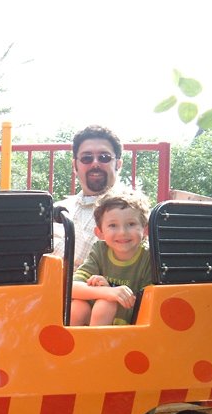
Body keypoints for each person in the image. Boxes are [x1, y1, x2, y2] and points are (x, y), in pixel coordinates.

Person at [70, 190, 152, 326]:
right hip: (93, 319)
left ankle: (97, 340)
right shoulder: (100, 250)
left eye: (131, 224)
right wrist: (107, 291)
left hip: (129, 326)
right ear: (100, 232)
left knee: (106, 304)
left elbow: (151, 302)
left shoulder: (148, 258)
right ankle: (72, 340)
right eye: (113, 225)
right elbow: (72, 288)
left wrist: (110, 293)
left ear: (145, 230)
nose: (122, 232)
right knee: (78, 307)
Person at [53, 125, 126, 270]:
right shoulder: (56, 211)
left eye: (104, 157)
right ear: (75, 165)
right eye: (87, 158)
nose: (95, 163)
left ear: (118, 164)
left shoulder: (133, 212)